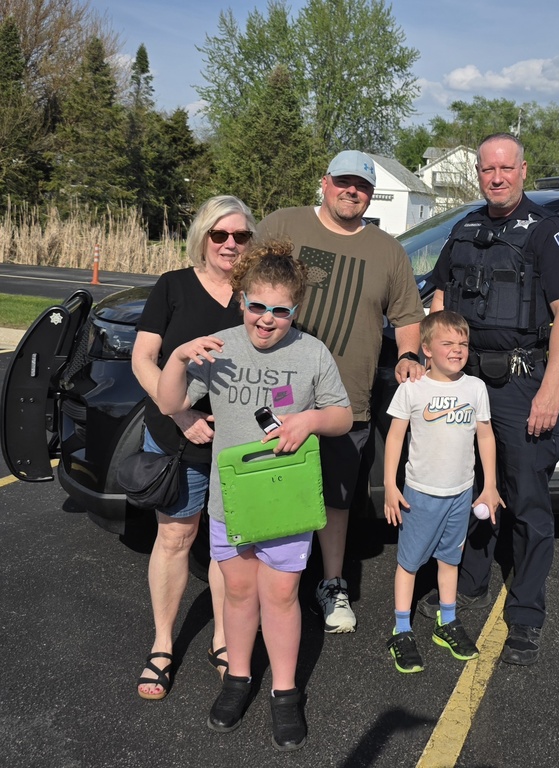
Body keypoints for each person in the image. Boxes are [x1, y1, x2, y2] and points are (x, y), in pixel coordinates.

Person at [157, 241, 353, 751]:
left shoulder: (311, 352)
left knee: (282, 596)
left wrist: (309, 419)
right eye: (258, 306)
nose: (267, 320)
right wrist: (179, 356)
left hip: (286, 501)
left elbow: (342, 415)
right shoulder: (218, 347)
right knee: (240, 593)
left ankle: (285, 694)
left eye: (280, 310)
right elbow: (170, 400)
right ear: (242, 299)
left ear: (296, 309)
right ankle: (237, 680)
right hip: (232, 502)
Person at [424, 133, 559, 666]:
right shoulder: (465, 228)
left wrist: (550, 389)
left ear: (523, 170)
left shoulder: (548, 233)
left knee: (528, 501)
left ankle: (526, 615)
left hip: (520, 385)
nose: (496, 177)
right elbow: (441, 296)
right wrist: (435, 361)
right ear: (478, 173)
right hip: (466, 383)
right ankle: (469, 583)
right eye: (487, 169)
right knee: (466, 485)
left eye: (506, 168)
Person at [256, 150, 425, 634]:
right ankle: (271, 581)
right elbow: (243, 289)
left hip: (345, 401)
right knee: (273, 488)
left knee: (336, 499)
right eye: (344, 182)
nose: (352, 191)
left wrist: (410, 355)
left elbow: (408, 316)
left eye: (363, 186)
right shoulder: (283, 226)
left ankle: (332, 584)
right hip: (276, 391)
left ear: (371, 195)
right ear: (325, 183)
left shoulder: (387, 250)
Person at [131, 195, 255, 700]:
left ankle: (224, 640)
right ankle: (163, 645)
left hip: (239, 443)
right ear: (202, 236)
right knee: (176, 539)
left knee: (230, 546)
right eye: (219, 234)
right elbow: (144, 359)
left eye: (241, 236)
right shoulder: (174, 286)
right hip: (177, 438)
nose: (229, 244)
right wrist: (179, 413)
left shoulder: (256, 293)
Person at [382, 310, 502, 673]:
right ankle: (401, 629)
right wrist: (389, 485)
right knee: (409, 563)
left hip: (461, 493)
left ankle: (446, 622)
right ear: (426, 350)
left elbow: (485, 435)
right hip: (419, 494)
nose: (457, 350)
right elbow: (394, 437)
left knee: (450, 559)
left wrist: (490, 485)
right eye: (447, 343)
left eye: (463, 344)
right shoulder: (413, 389)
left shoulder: (475, 388)